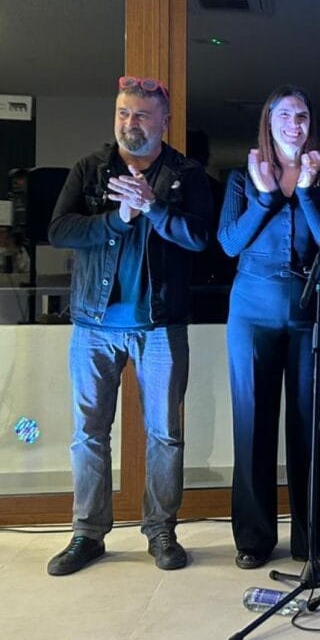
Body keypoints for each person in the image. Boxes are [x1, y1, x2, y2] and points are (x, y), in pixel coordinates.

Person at [45, 76, 214, 576]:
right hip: (93, 324)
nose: (129, 123)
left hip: (160, 325)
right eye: (122, 113)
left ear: (164, 120)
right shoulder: (90, 169)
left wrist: (152, 205)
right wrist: (119, 216)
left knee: (165, 434)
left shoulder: (187, 174)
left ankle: (161, 531)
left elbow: (201, 238)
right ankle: (87, 534)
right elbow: (59, 231)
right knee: (89, 433)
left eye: (140, 114)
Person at [218, 86, 320, 571]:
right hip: (251, 313)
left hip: (308, 312)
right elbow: (230, 243)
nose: (295, 123)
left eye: (302, 115)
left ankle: (316, 538)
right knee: (253, 425)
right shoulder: (240, 178)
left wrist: (310, 190)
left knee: (311, 427)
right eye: (285, 115)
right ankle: (253, 537)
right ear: (268, 122)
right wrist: (266, 195)